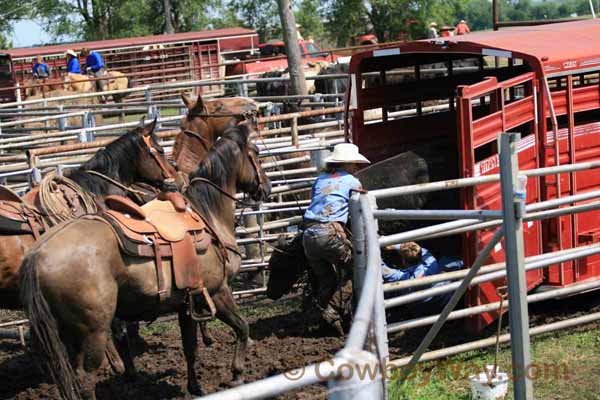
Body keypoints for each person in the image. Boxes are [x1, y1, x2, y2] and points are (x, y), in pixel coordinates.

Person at [303, 143, 370, 334]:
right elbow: (358, 209)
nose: (356, 167)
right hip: (329, 233)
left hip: (309, 235)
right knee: (355, 270)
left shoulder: (320, 179)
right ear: (346, 164)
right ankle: (332, 312)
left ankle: (325, 316)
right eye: (354, 163)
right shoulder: (352, 181)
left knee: (326, 279)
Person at [382, 242, 464, 315]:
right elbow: (423, 252)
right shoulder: (432, 264)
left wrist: (391, 246)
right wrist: (398, 246)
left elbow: (384, 271)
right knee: (446, 262)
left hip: (421, 308)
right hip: (444, 297)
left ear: (403, 260)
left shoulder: (404, 279)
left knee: (393, 290)